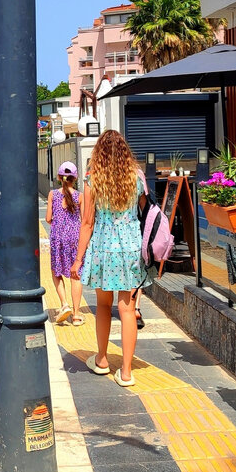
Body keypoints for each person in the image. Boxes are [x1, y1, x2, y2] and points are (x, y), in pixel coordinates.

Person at [71, 130, 148, 387]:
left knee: (103, 306)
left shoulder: (93, 180)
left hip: (104, 249)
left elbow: (87, 223)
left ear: (99, 153)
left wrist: (78, 259)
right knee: (127, 309)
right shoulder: (137, 177)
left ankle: (102, 360)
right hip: (130, 249)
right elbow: (143, 210)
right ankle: (126, 372)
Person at [46, 161, 84, 326]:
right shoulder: (80, 196)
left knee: (57, 272)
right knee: (75, 275)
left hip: (58, 237)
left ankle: (64, 304)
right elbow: (85, 221)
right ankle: (76, 315)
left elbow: (48, 218)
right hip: (75, 238)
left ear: (59, 177)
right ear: (75, 178)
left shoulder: (53, 194)